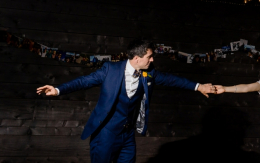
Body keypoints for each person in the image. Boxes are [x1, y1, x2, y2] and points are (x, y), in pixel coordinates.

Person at [36, 39, 215, 163]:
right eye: (149, 57)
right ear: (137, 58)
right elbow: (83, 81)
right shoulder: (110, 69)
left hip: (128, 135)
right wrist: (58, 89)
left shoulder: (149, 72)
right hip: (105, 133)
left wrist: (198, 86)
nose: (152, 60)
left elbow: (171, 79)